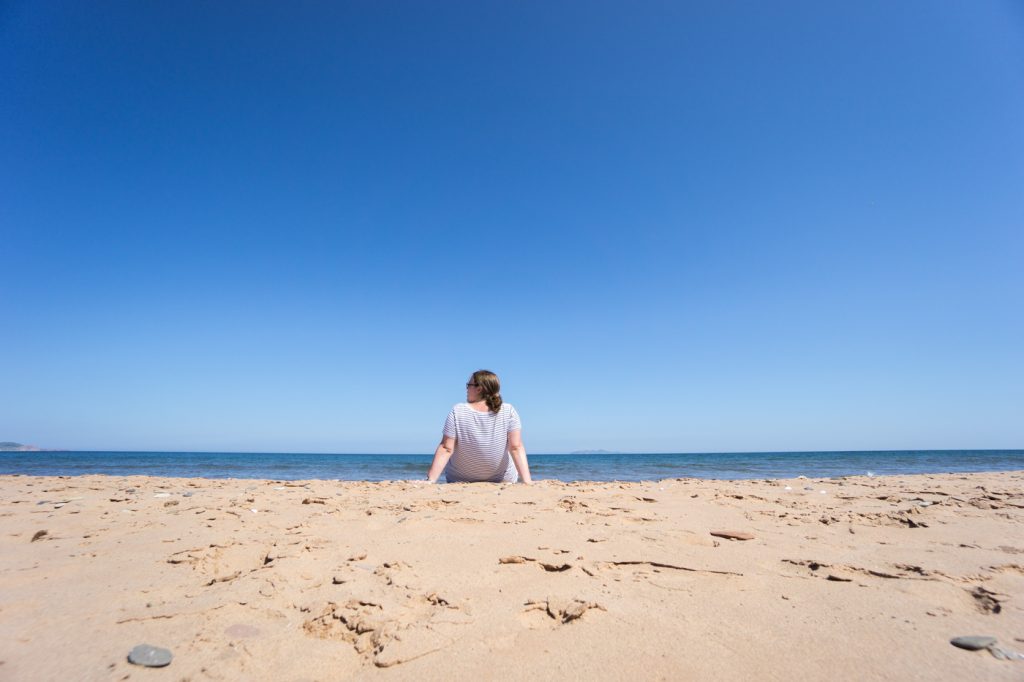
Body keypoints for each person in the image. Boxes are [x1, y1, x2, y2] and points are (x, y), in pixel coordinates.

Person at [426, 370, 532, 484]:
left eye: (469, 385)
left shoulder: (458, 410)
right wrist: (528, 481)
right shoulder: (508, 410)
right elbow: (516, 447)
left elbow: (446, 448)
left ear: (479, 389)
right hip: (502, 479)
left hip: (460, 479)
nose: (466, 389)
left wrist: (431, 480)